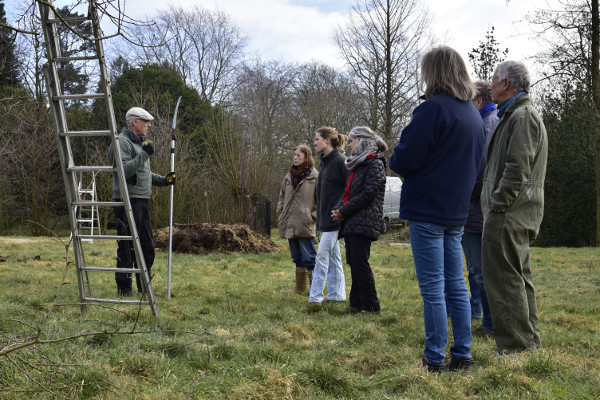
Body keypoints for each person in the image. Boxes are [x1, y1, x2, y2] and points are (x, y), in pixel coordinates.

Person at [389, 46, 485, 372]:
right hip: (456, 212)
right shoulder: (472, 113)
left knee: (432, 288)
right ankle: (462, 355)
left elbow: (405, 158)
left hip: (428, 210)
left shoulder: (432, 110)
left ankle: (433, 359)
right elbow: (477, 166)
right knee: (456, 285)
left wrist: (397, 155)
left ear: (433, 73)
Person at [482, 61, 547, 354]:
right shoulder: (517, 115)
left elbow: (516, 168)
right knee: (518, 278)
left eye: (493, 80)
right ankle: (527, 342)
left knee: (504, 279)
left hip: (508, 214)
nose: (490, 85)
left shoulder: (521, 117)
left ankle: (515, 348)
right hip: (515, 212)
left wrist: (498, 206)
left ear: (507, 83)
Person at [108, 107, 176, 297]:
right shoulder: (121, 142)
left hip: (142, 201)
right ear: (134, 122)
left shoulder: (139, 144)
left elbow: (143, 173)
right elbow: (124, 172)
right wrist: (144, 154)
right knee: (128, 246)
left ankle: (144, 287)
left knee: (146, 246)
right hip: (126, 200)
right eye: (145, 121)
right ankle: (124, 289)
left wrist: (164, 180)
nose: (149, 125)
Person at [332, 126, 387, 315]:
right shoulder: (358, 164)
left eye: (351, 141)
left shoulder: (375, 163)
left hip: (364, 221)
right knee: (354, 262)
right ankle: (356, 304)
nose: (348, 145)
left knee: (360, 263)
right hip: (352, 221)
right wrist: (339, 209)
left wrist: (343, 211)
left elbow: (367, 194)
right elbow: (348, 192)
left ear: (362, 142)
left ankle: (372, 306)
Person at [464, 80, 498, 339]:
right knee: (479, 269)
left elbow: (481, 174)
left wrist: (460, 194)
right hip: (478, 209)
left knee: (480, 270)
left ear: (478, 102)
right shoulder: (489, 122)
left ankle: (490, 324)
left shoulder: (486, 126)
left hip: (477, 210)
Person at [308, 127, 349, 305]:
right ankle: (337, 295)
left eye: (317, 139)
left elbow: (349, 188)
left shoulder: (341, 161)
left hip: (335, 218)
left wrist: (339, 209)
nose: (315, 143)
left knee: (322, 256)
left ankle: (315, 298)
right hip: (324, 218)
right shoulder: (324, 162)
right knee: (333, 257)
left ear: (327, 141)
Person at [277, 145, 319, 294]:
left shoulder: (314, 177)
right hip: (289, 221)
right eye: (294, 155)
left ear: (306, 158)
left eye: (298, 155)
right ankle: (300, 289)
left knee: (309, 257)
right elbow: (282, 197)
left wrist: (313, 216)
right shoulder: (289, 176)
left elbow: (320, 200)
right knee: (296, 257)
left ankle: (315, 291)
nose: (295, 158)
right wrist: (280, 213)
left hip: (305, 222)